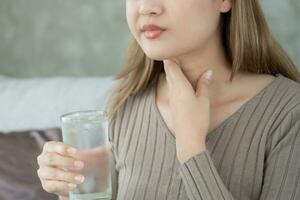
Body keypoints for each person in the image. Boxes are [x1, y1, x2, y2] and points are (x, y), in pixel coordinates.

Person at [37, 0, 300, 199]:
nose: (146, 7)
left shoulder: (290, 112)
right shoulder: (124, 105)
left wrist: (191, 147)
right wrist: (72, 184)